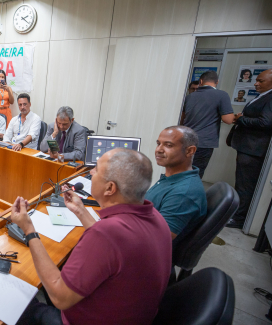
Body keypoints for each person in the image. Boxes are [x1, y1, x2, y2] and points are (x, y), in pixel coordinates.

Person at [13, 148, 171, 325]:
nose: (91, 172)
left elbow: (59, 297)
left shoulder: (106, 234)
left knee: (18, 298)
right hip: (130, 313)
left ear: (110, 188)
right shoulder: (156, 217)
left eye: (95, 169)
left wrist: (28, 229)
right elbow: (113, 246)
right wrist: (80, 211)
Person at [146, 126, 206, 244]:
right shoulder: (173, 178)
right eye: (158, 143)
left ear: (190, 151)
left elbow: (157, 239)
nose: (159, 149)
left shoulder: (183, 193)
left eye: (168, 145)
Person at [227, 69, 272, 228]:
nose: (256, 83)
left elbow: (265, 123)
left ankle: (239, 219)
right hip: (248, 147)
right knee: (242, 183)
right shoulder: (263, 96)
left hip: (253, 149)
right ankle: (238, 215)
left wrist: (242, 119)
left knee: (245, 185)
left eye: (260, 81)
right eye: (256, 80)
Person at [181, 70, 234, 178]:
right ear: (217, 82)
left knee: (182, 169)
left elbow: (182, 118)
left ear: (201, 81)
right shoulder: (222, 95)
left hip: (185, 139)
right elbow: (228, 120)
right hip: (204, 142)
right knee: (196, 172)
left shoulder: (190, 97)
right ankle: (191, 194)